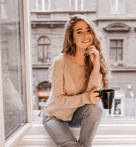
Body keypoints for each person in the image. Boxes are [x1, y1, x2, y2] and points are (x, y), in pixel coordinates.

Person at [42, 14, 110, 147]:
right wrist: (87, 97)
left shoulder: (91, 60)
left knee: (96, 109)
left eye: (88, 30)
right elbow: (60, 100)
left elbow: (92, 95)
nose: (85, 35)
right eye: (79, 32)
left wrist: (96, 64)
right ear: (72, 38)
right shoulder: (60, 62)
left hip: (75, 115)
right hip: (54, 116)